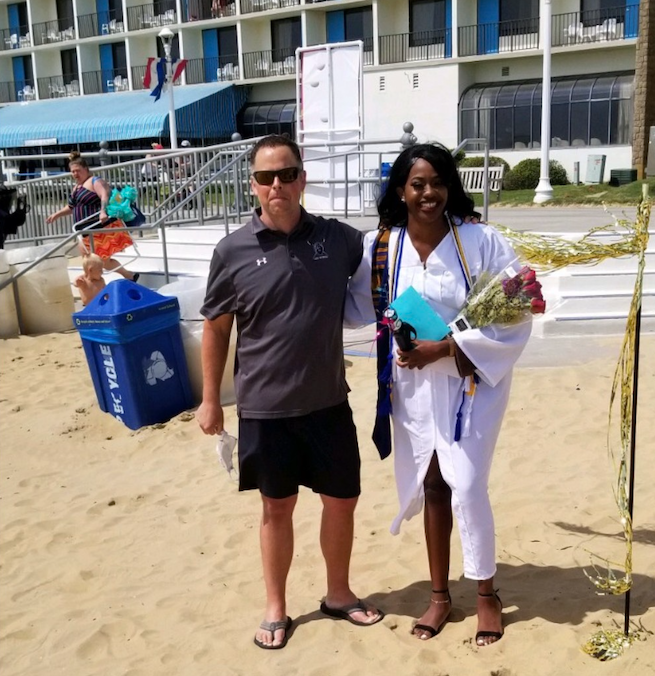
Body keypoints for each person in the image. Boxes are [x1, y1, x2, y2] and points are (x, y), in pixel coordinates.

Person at [196, 134, 384, 650]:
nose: (276, 185)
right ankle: (276, 607)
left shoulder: (336, 239)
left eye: (286, 174)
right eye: (264, 177)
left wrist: (458, 223)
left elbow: (391, 247)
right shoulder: (231, 250)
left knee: (342, 501)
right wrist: (211, 399)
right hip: (265, 407)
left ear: (302, 178)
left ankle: (339, 593)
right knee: (276, 509)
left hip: (328, 402)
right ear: (253, 184)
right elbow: (216, 328)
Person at [345, 143, 531, 645]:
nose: (429, 193)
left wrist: (445, 349)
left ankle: (487, 595)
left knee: (467, 484)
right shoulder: (382, 247)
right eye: (417, 184)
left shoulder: (478, 240)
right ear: (401, 191)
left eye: (437, 183)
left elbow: (517, 308)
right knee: (431, 484)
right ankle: (440, 596)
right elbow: (356, 305)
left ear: (449, 186)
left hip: (470, 383)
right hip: (410, 385)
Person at [46, 151, 138, 282]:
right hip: (82, 229)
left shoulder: (95, 181)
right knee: (86, 259)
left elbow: (104, 195)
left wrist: (102, 211)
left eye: (78, 170)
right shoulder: (76, 187)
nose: (75, 174)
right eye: (72, 172)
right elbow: (71, 207)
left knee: (102, 260)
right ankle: (92, 283)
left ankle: (127, 276)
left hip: (96, 226)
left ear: (86, 169)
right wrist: (57, 214)